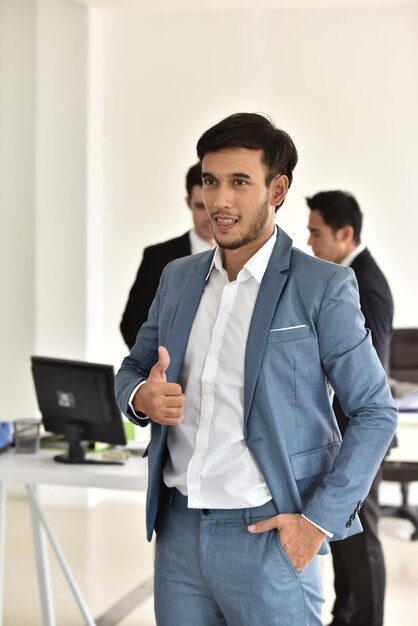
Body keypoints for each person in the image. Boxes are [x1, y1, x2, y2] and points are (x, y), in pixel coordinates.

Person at [115, 113, 397, 626]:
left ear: (278, 188)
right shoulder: (177, 279)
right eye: (210, 181)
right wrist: (140, 397)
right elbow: (133, 367)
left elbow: (375, 412)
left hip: (268, 536)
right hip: (178, 533)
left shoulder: (323, 286)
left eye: (239, 182)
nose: (219, 200)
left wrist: (317, 523)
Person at [306, 191, 394, 626]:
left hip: (360, 438)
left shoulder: (364, 282)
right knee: (344, 541)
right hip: (340, 435)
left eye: (316, 232)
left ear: (345, 234)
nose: (309, 242)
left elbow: (365, 374)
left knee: (361, 545)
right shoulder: (346, 275)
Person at [120, 162, 215, 349]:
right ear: (188, 203)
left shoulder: (241, 256)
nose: (208, 216)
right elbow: (132, 324)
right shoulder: (158, 257)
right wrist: (159, 363)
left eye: (212, 206)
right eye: (200, 206)